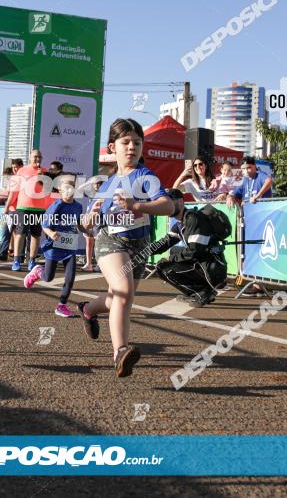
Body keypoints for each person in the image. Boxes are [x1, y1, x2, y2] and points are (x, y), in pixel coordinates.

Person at [78, 118, 174, 378]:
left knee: (118, 299)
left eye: (137, 142)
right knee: (123, 292)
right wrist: (89, 219)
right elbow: (87, 226)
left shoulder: (145, 176)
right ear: (112, 147)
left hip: (139, 245)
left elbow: (168, 206)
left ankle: (87, 309)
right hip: (110, 241)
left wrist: (137, 205)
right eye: (125, 142)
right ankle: (120, 352)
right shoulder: (106, 184)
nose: (132, 147)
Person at [24, 173, 84, 318]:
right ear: (60, 189)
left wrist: (86, 230)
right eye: (67, 186)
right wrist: (51, 233)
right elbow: (45, 225)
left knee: (70, 278)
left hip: (69, 247)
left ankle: (61, 306)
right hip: (54, 246)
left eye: (73, 186)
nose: (70, 189)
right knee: (48, 277)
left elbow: (77, 223)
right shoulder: (57, 205)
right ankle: (38, 271)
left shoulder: (78, 206)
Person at [7, 150, 48, 271]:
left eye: (40, 157)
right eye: (35, 157)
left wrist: (42, 177)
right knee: (20, 234)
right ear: (30, 157)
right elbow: (14, 191)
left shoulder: (45, 171)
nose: (38, 159)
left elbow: (48, 190)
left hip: (39, 208)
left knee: (36, 235)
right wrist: (7, 206)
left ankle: (32, 261)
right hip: (23, 207)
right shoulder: (22, 170)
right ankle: (16, 261)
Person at [0, 166, 15, 260]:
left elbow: (6, 196)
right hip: (9, 212)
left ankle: (17, 254)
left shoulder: (14, 184)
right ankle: (4, 253)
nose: (5, 179)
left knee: (17, 234)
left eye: (6, 176)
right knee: (6, 232)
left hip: (15, 211)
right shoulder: (8, 185)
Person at [81, 178, 104, 272]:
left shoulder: (105, 193)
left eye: (98, 183)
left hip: (99, 221)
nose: (96, 185)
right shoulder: (90, 193)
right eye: (95, 184)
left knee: (99, 244)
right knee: (88, 243)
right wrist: (89, 182)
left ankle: (100, 264)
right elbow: (79, 189)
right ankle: (88, 264)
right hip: (89, 220)